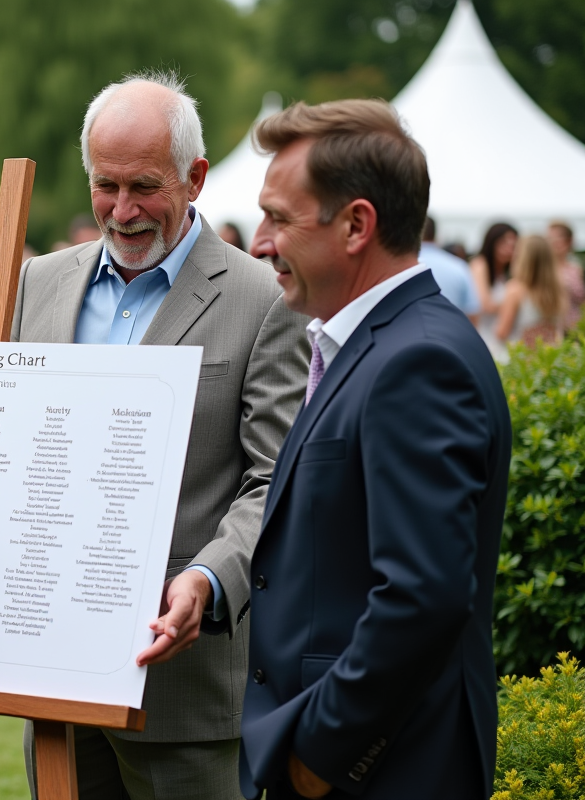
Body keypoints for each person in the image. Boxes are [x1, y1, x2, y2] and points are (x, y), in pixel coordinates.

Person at [0, 71, 309, 800]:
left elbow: (275, 481)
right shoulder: (37, 282)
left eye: (144, 187)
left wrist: (212, 579)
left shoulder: (264, 301)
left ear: (194, 178)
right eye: (106, 185)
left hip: (181, 687)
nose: (122, 211)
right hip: (46, 670)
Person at [239, 99, 510, 799]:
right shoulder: (373, 345)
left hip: (383, 773)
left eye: (280, 218)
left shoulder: (417, 362)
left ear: (356, 224)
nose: (262, 242)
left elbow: (422, 596)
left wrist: (321, 756)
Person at [496, 234, 566, 348]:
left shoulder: (515, 289)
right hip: (549, 360)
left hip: (521, 360)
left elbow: (501, 333)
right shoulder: (557, 290)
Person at [469, 221, 517, 357]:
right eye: (504, 243)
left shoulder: (508, 272)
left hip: (504, 337)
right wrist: (513, 302)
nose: (508, 249)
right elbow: (485, 305)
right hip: (485, 337)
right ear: (492, 242)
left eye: (513, 245)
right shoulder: (480, 264)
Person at [420, 216, 480, 323]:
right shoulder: (459, 266)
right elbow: (473, 314)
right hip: (450, 334)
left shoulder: (396, 265)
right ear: (435, 235)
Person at [548, 220, 583, 329]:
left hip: (573, 325)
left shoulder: (576, 268)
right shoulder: (545, 269)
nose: (552, 243)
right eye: (549, 239)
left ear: (568, 241)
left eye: (555, 239)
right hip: (551, 326)